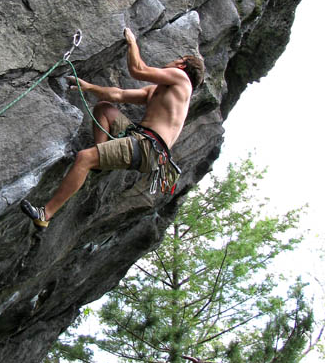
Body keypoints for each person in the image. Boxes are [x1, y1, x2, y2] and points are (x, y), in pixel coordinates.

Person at [21, 28, 205, 228]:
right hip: (141, 141)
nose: (171, 63)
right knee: (104, 109)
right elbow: (119, 95)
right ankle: (99, 160)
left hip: (148, 147)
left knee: (84, 158)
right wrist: (90, 88)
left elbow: (138, 70)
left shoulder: (181, 78)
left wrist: (132, 42)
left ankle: (45, 214)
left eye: (176, 61)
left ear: (182, 63)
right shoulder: (160, 92)